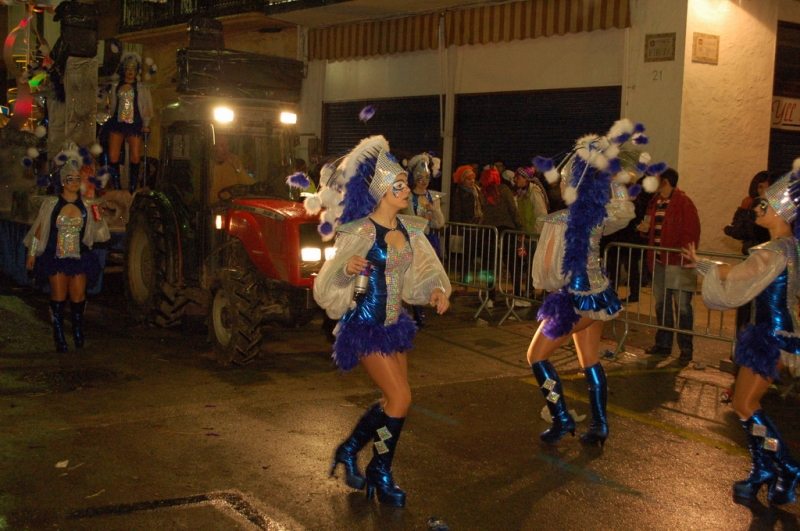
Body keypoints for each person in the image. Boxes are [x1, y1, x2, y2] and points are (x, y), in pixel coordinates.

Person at [308, 135, 451, 507]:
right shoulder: (360, 232)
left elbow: (423, 271)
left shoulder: (410, 229)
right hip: (365, 326)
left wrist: (435, 291)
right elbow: (326, 286)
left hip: (394, 325)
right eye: (399, 185)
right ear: (382, 192)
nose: (406, 189)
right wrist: (346, 268)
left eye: (405, 183)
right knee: (401, 398)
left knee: (394, 398)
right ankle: (379, 470)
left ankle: (350, 449)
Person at [527, 120, 651, 447]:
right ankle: (599, 425)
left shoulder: (562, 220)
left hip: (573, 300)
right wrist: (617, 179)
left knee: (536, 357)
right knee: (590, 360)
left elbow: (548, 272)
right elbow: (625, 212)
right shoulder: (599, 215)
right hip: (597, 296)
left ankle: (561, 416)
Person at [681, 169, 800, 505]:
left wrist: (701, 265)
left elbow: (734, 280)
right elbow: (738, 274)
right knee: (746, 405)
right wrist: (703, 264)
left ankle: (786, 466)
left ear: (779, 211)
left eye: (763, 204)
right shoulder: (791, 248)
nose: (757, 208)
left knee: (745, 404)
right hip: (777, 335)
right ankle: (764, 467)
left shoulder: (775, 251)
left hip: (770, 337)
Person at [24, 148, 110, 352]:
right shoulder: (51, 204)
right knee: (59, 297)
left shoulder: (87, 205)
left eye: (77, 178)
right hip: (56, 257)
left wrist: (99, 215)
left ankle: (78, 330)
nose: (73, 181)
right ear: (63, 181)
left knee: (78, 296)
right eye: (69, 178)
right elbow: (39, 231)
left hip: (79, 257)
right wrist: (32, 253)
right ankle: (59, 334)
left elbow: (100, 232)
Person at [637, 168, 700, 361]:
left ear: (665, 181)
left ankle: (685, 348)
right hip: (659, 261)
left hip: (677, 262)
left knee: (682, 306)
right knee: (661, 304)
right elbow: (651, 230)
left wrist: (680, 256)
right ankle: (663, 344)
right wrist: (645, 231)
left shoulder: (684, 203)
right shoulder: (654, 203)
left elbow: (691, 234)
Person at [723, 171, 772, 332]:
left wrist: (733, 230)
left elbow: (751, 230)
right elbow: (743, 227)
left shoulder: (768, 206)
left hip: (764, 259)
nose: (763, 189)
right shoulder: (752, 204)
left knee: (759, 306)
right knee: (747, 304)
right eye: (760, 186)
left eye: (766, 186)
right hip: (754, 258)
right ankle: (742, 344)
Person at [403, 153, 445, 327]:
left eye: (426, 178)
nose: (424, 181)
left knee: (431, 274)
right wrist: (425, 217)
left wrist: (433, 211)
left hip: (429, 240)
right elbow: (411, 222)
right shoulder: (408, 197)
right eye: (420, 177)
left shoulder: (432, 197)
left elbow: (440, 223)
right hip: (414, 240)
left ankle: (429, 302)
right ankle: (417, 311)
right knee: (416, 274)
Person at [104, 53, 154, 194]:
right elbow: (113, 105)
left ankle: (133, 186)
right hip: (117, 123)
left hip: (135, 123)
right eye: (127, 68)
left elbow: (147, 106)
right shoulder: (116, 86)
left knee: (135, 156)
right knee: (113, 155)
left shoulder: (142, 88)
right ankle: (116, 185)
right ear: (124, 70)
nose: (130, 71)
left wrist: (146, 123)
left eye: (133, 68)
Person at [480, 167, 522, 308]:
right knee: (512, 265)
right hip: (507, 230)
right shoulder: (504, 190)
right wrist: (520, 228)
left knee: (490, 265)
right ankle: (516, 296)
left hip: (490, 231)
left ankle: (490, 297)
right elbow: (513, 210)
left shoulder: (483, 193)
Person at [511, 167, 549, 306]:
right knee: (526, 264)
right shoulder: (521, 193)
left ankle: (532, 291)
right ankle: (528, 291)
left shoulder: (534, 192)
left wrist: (535, 233)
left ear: (526, 179)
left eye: (518, 178)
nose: (515, 180)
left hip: (533, 236)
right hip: (525, 235)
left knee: (533, 264)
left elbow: (541, 214)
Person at [210, 134, 253, 201]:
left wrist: (237, 168)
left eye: (227, 145)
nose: (225, 148)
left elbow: (249, 184)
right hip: (212, 207)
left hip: (232, 205)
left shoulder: (235, 163)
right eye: (222, 145)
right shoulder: (207, 165)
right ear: (214, 148)